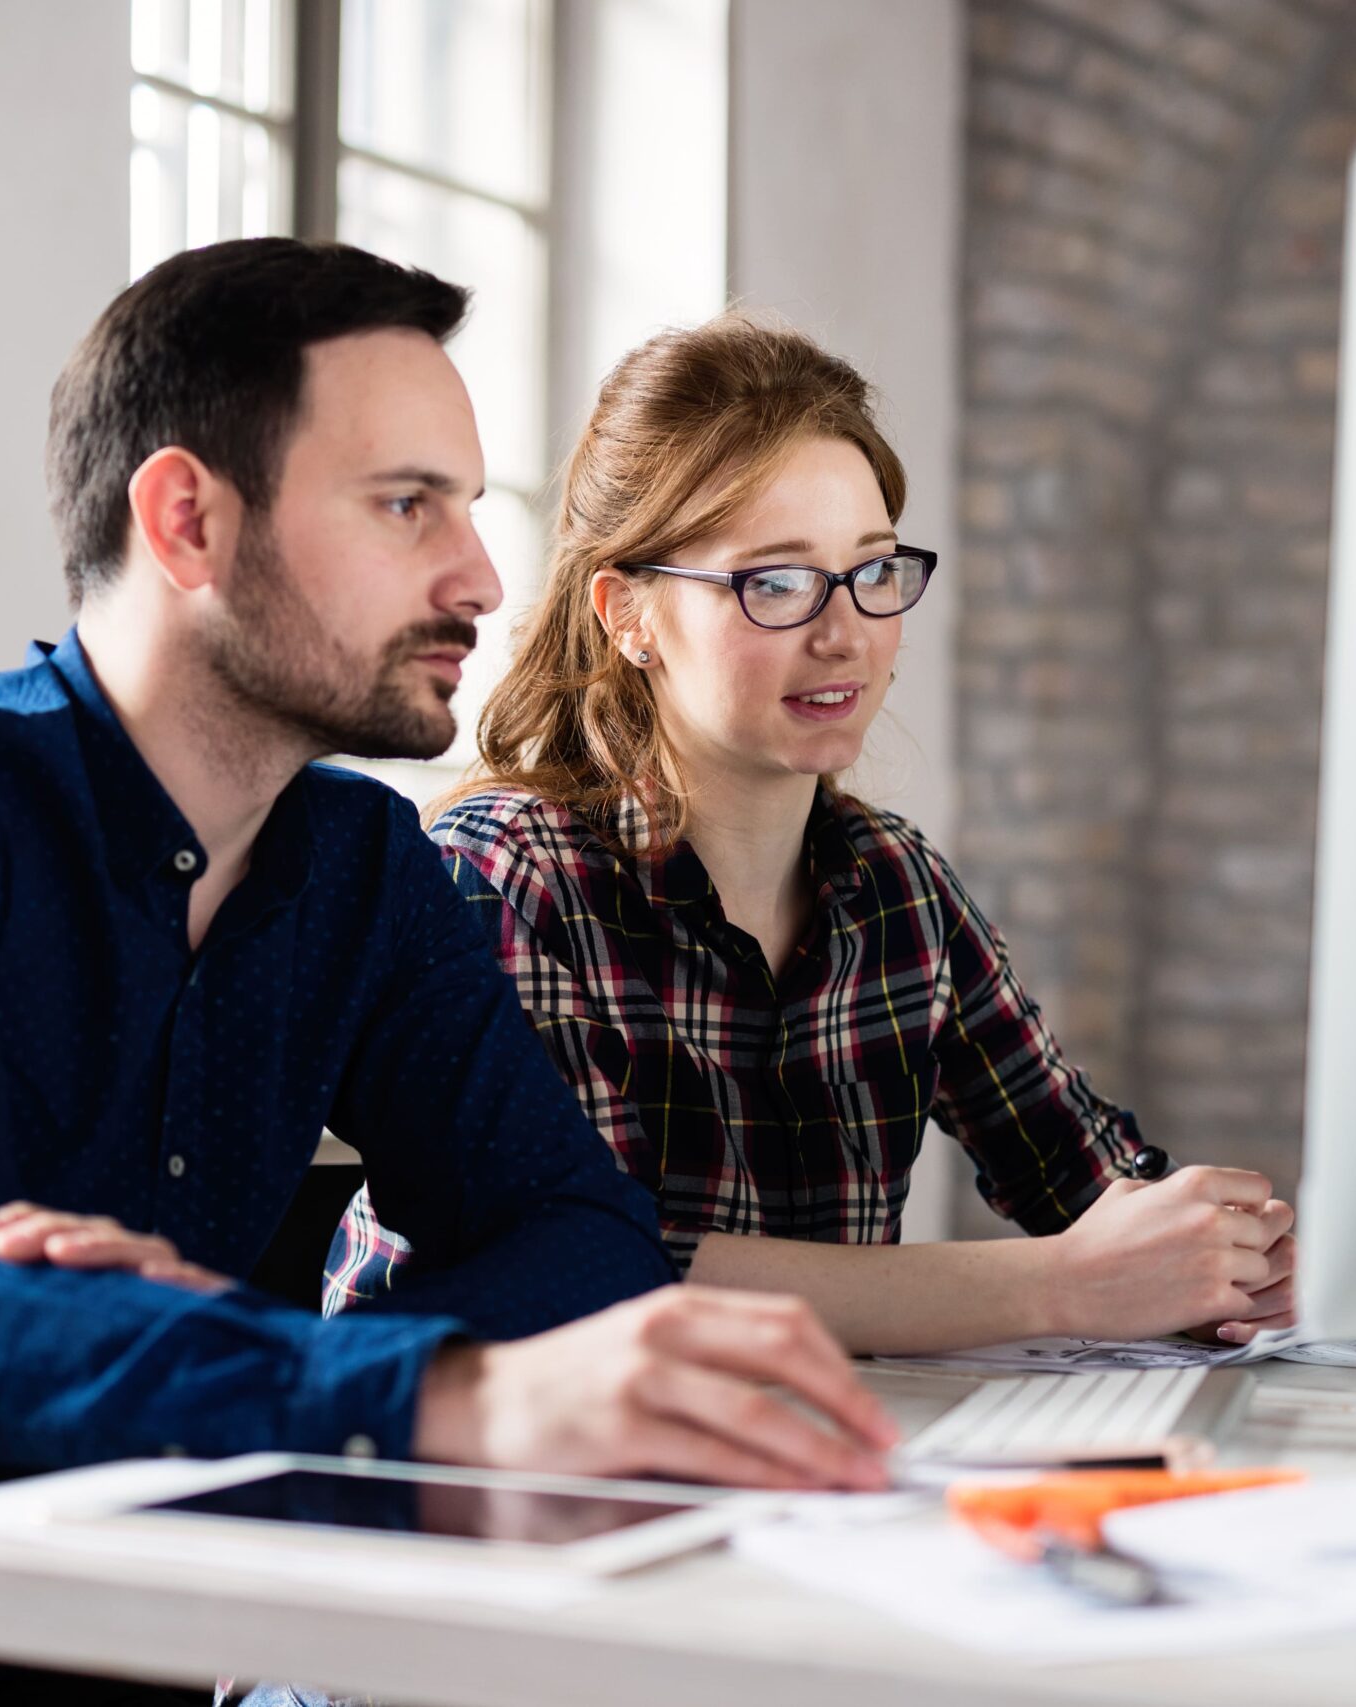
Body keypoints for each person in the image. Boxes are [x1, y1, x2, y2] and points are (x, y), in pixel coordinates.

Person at [0, 244, 894, 1707]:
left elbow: (580, 1229)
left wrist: (212, 1348)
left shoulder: (363, 869)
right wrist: (444, 1390)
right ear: (188, 520)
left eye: (472, 508)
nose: (479, 577)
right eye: (406, 504)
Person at [314, 313, 1298, 1358]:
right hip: (454, 1432)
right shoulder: (503, 876)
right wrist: (1062, 1284)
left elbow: (1088, 1180)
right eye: (774, 583)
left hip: (784, 1432)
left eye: (873, 572)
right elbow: (606, 1267)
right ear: (628, 614)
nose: (845, 635)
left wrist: (1220, 1254)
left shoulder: (897, 885)